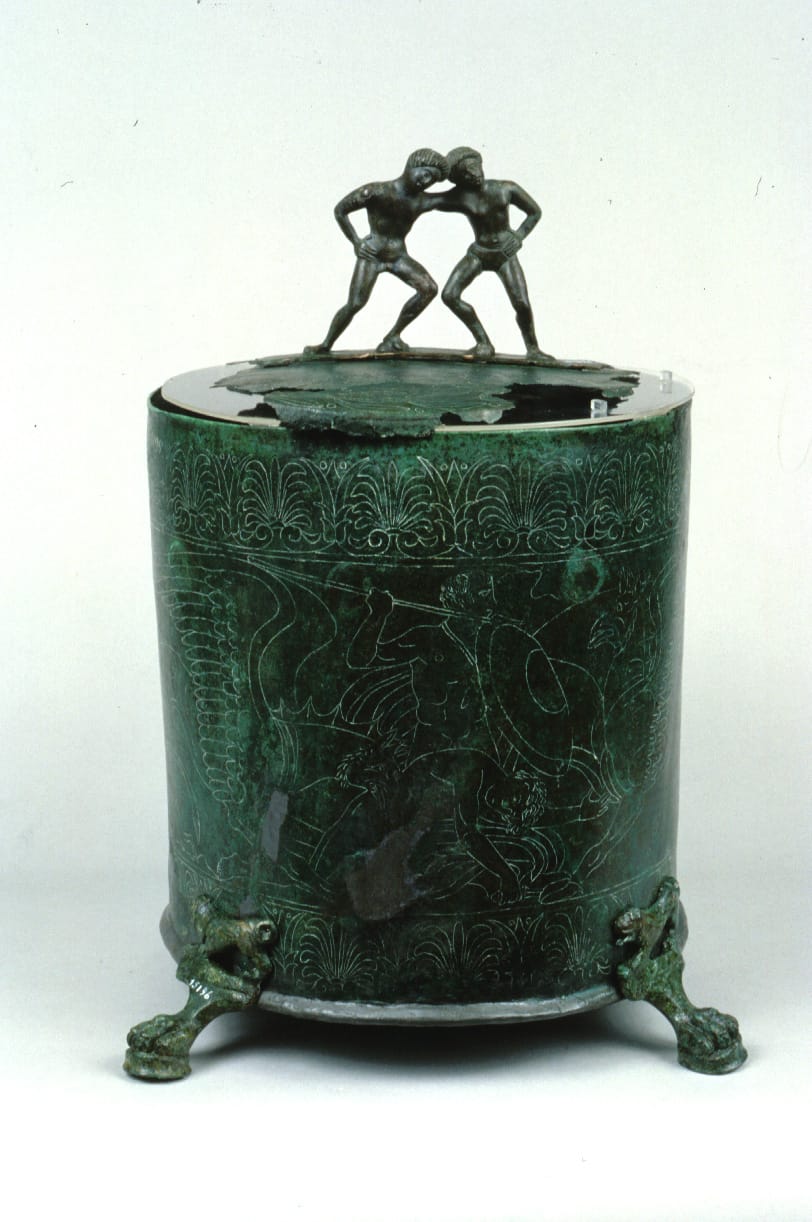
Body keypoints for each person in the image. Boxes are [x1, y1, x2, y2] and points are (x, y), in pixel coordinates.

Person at [305, 148, 449, 354]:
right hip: (372, 255)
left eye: (432, 180)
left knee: (428, 289)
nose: (426, 182)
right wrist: (356, 242)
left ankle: (393, 336)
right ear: (411, 166)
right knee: (355, 303)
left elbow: (456, 198)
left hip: (398, 257)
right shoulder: (377, 191)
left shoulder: (423, 200)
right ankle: (326, 344)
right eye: (425, 174)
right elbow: (340, 210)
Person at [436, 146, 552, 361]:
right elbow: (425, 201)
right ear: (460, 181)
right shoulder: (460, 197)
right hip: (479, 253)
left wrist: (519, 236)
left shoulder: (506, 189)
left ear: (481, 164)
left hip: (504, 254)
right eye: (466, 174)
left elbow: (534, 212)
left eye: (475, 167)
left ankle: (533, 349)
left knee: (522, 304)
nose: (474, 174)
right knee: (449, 295)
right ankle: (483, 342)